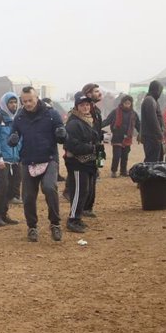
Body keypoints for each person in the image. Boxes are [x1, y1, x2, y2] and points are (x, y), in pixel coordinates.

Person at [8, 87, 67, 242]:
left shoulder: (52, 114)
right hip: (28, 160)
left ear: (37, 98)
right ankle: (32, 227)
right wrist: (13, 138)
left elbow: (61, 132)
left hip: (49, 158)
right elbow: (13, 135)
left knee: (49, 187)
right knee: (27, 196)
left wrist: (61, 133)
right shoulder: (19, 117)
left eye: (30, 100)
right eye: (24, 101)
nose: (27, 104)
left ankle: (55, 224)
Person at [64, 93, 103, 234]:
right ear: (77, 106)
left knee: (85, 191)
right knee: (79, 192)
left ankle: (78, 217)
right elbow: (71, 145)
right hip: (77, 162)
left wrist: (99, 157)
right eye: (82, 105)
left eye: (87, 104)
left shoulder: (89, 120)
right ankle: (73, 219)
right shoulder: (74, 123)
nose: (85, 107)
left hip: (88, 162)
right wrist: (92, 147)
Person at [0, 92, 22, 226]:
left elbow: (20, 139)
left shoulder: (16, 119)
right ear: (5, 104)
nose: (13, 105)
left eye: (15, 102)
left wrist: (20, 154)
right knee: (2, 188)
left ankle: (4, 213)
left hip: (14, 159)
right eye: (11, 102)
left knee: (11, 189)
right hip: (2, 160)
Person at [101, 95, 139, 178]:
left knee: (125, 156)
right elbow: (107, 121)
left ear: (131, 104)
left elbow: (138, 125)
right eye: (126, 103)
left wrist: (141, 133)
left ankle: (123, 171)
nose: (127, 105)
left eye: (129, 103)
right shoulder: (115, 112)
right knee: (116, 156)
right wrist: (98, 126)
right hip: (117, 136)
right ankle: (114, 171)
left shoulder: (134, 114)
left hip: (128, 137)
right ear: (122, 103)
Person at [140, 80, 166, 163]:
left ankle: (153, 176)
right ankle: (150, 176)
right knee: (152, 161)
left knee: (157, 160)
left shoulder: (153, 100)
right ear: (156, 90)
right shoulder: (149, 100)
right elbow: (153, 120)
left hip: (153, 136)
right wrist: (159, 134)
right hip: (151, 136)